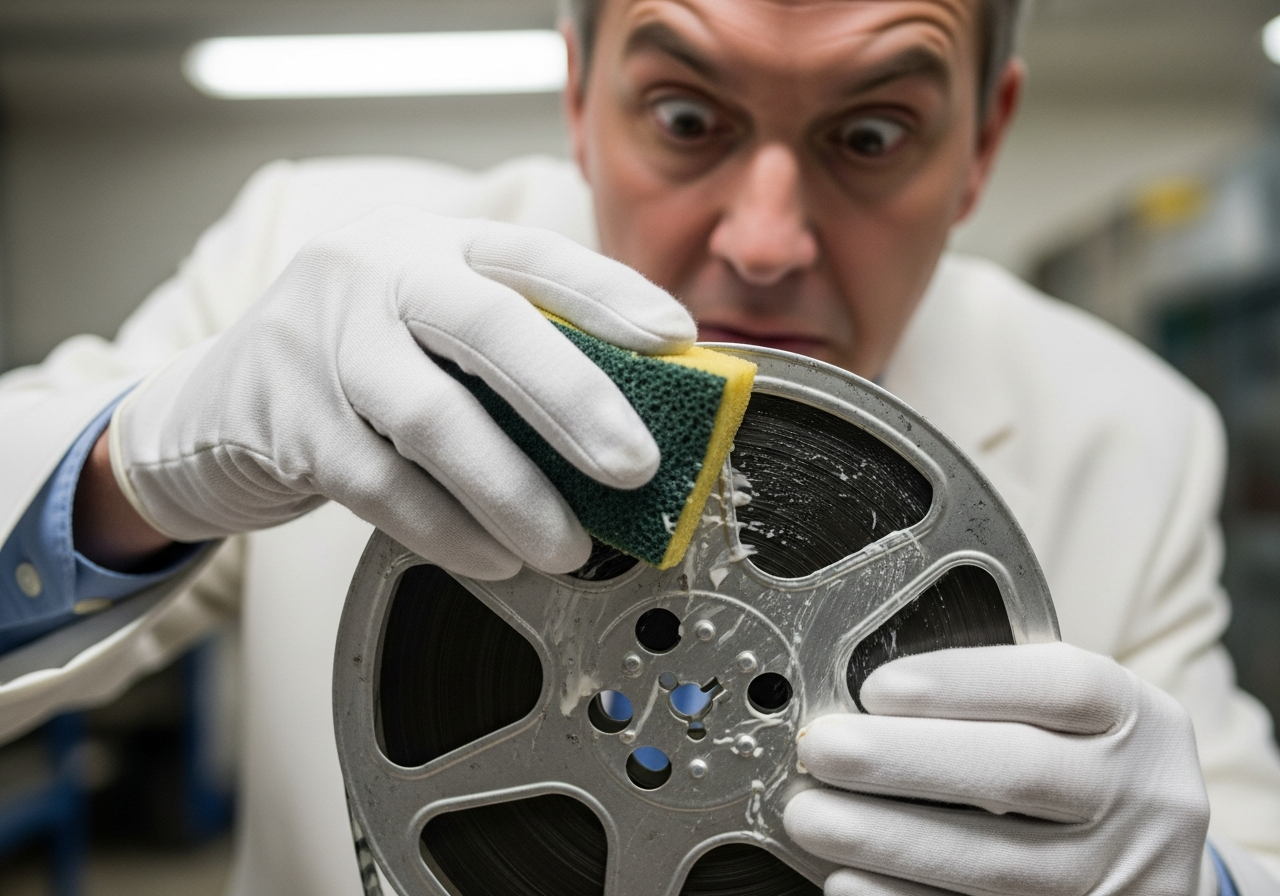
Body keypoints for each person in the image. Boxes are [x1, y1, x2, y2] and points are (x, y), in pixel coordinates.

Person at [2, 0, 1280, 893]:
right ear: (578, 89)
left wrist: (1191, 881)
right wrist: (135, 461)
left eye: (870, 134)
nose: (764, 238)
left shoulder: (1128, 428)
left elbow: (1243, 847)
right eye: (684, 117)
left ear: (981, 141)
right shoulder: (310, 246)